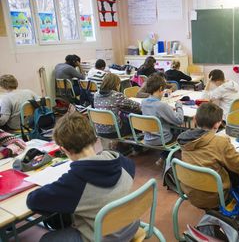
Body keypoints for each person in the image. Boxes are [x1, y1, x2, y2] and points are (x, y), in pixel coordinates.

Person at [26, 112, 138, 242]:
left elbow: (33, 201)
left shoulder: (75, 181)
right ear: (93, 137)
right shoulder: (121, 161)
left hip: (104, 238)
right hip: (130, 226)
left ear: (65, 150)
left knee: (47, 238)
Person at [177, 103, 239, 209]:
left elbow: (207, 148)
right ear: (218, 124)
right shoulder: (220, 143)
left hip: (191, 192)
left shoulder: (184, 140)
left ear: (195, 120)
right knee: (232, 169)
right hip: (216, 198)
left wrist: (222, 141)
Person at [141, 74, 184, 146]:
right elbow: (179, 120)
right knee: (181, 132)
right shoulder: (162, 106)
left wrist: (168, 108)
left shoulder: (143, 102)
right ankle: (166, 155)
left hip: (148, 139)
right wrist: (178, 105)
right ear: (161, 89)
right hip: (162, 140)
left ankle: (163, 155)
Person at [93, 73, 141, 138]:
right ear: (116, 85)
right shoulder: (116, 96)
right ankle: (133, 146)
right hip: (115, 131)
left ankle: (120, 145)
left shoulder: (96, 95)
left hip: (99, 130)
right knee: (137, 123)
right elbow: (135, 106)